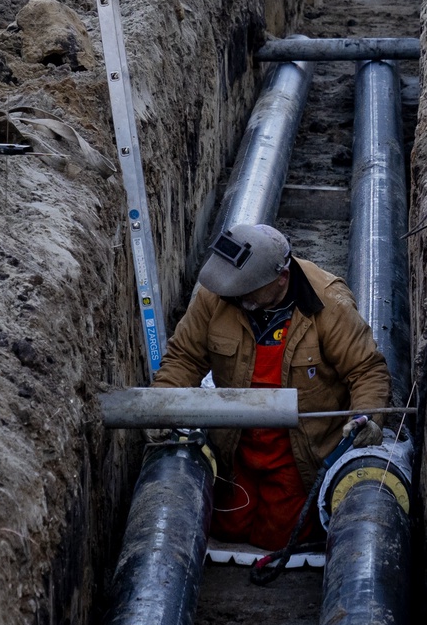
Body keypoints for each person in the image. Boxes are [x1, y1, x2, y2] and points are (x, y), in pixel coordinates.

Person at [155, 223, 392, 552]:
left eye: (248, 290)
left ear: (281, 277)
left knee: (278, 537)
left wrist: (368, 417)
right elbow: (184, 359)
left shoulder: (329, 304)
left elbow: (367, 370)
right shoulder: (217, 295)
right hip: (236, 449)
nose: (237, 297)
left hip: (299, 456)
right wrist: (162, 407)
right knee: (227, 527)